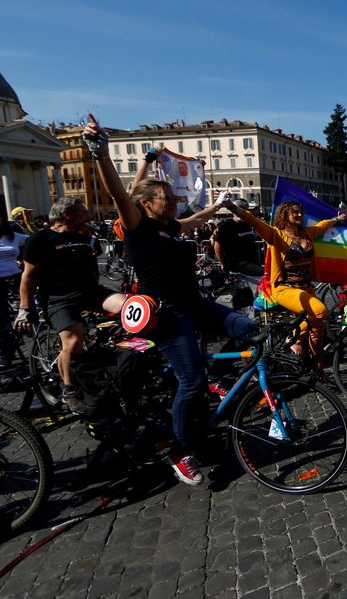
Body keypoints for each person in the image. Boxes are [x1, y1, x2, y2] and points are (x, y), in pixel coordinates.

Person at [87, 114, 252, 486]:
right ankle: (181, 449)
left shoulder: (168, 226)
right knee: (190, 382)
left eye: (176, 198)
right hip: (169, 313)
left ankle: (219, 380)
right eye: (169, 198)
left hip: (194, 303)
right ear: (146, 203)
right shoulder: (139, 226)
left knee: (250, 329)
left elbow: (195, 221)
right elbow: (118, 193)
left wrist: (218, 207)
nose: (176, 202)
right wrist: (99, 153)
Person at [15, 198, 128, 413]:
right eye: (83, 211)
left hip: (91, 293)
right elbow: (28, 276)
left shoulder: (84, 237)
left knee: (133, 308)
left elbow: (93, 270)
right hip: (59, 298)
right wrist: (24, 309)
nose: (88, 214)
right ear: (66, 215)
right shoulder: (40, 239)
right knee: (74, 339)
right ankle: (69, 390)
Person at [229, 200, 345, 359]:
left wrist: (337, 220)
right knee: (320, 311)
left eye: (300, 212)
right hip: (285, 289)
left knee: (319, 326)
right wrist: (231, 206)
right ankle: (292, 337)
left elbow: (322, 226)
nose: (299, 215)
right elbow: (253, 221)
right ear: (285, 215)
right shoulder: (276, 234)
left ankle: (316, 363)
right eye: (295, 212)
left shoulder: (307, 233)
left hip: (306, 288)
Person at [0, 210, 28, 366]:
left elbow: (34, 242)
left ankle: (17, 342)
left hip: (15, 279)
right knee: (2, 319)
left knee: (27, 311)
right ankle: (6, 352)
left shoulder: (13, 236)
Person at [212, 199, 263, 283]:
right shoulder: (226, 226)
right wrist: (223, 264)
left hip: (252, 261)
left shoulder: (248, 224)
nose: (243, 211)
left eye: (246, 209)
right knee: (263, 274)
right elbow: (217, 246)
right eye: (241, 208)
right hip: (237, 263)